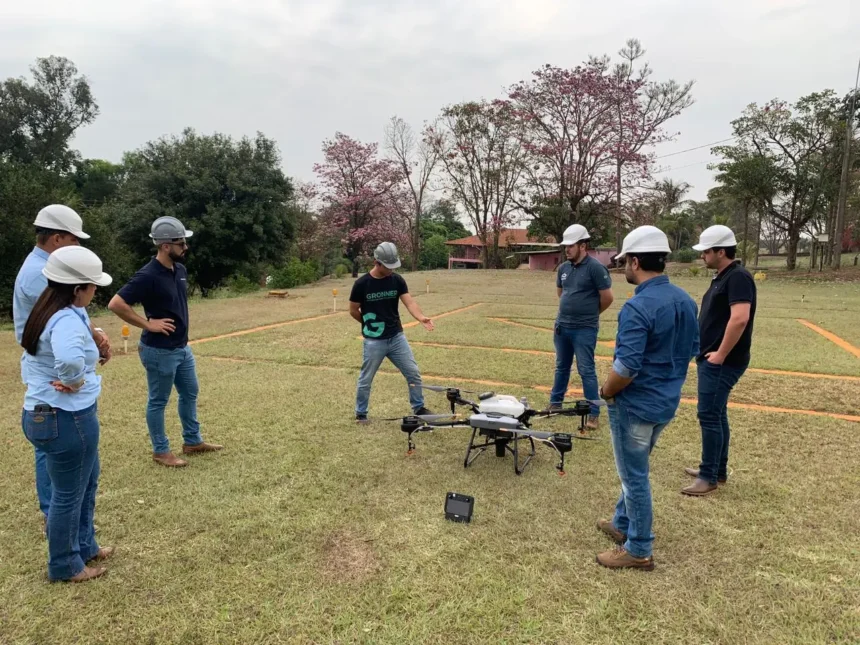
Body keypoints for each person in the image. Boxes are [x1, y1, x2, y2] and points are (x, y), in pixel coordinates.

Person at [595, 226, 699, 570]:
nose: (624, 267)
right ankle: (622, 523)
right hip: (666, 402)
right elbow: (692, 350)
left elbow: (626, 367)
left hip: (635, 405)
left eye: (625, 261)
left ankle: (639, 548)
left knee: (633, 477)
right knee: (635, 468)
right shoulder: (685, 300)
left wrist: (606, 392)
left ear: (636, 261)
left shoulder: (637, 307)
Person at [20, 246, 115, 582]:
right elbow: (71, 361)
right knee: (69, 493)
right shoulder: (63, 319)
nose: (94, 292)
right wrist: (74, 380)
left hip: (44, 414)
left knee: (85, 482)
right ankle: (64, 564)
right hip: (67, 417)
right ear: (77, 289)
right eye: (92, 287)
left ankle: (86, 545)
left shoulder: (47, 310)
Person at [13, 204, 111, 527]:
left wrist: (94, 335)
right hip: (55, 382)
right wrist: (76, 375)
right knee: (57, 457)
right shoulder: (37, 274)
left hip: (58, 378)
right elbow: (66, 319)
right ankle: (55, 517)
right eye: (74, 240)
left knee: (65, 458)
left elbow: (75, 313)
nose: (78, 247)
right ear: (56, 238)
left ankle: (66, 524)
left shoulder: (50, 268)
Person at [108, 216, 222, 467]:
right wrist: (148, 324)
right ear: (165, 246)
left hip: (182, 348)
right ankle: (161, 451)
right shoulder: (147, 275)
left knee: (190, 393)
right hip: (158, 351)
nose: (186, 248)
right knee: (159, 401)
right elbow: (116, 303)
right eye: (181, 244)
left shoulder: (180, 270)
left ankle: (192, 441)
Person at [682, 225, 756, 496]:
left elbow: (740, 318)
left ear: (721, 251)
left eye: (706, 251)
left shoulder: (738, 277)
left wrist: (721, 354)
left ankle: (709, 475)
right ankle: (717, 470)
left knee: (709, 415)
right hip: (714, 358)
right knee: (717, 413)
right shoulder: (724, 276)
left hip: (723, 361)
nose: (702, 256)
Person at [350, 242, 435, 423]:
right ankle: (361, 413)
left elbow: (410, 303)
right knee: (366, 378)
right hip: (374, 341)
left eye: (392, 267)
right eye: (387, 267)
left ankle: (419, 407)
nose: (390, 270)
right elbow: (353, 310)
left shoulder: (397, 280)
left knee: (412, 372)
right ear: (376, 262)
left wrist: (421, 318)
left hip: (396, 337)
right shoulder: (361, 284)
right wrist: (368, 325)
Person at [550, 224, 614, 430]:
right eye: (565, 246)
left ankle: (593, 413)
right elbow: (562, 293)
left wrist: (589, 316)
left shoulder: (595, 268)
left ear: (583, 245)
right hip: (562, 327)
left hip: (584, 329)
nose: (567, 249)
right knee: (561, 367)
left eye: (571, 245)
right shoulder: (563, 268)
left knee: (586, 370)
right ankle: (555, 404)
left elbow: (607, 298)